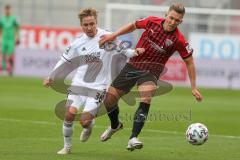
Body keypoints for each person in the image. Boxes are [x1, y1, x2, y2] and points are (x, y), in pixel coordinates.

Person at [98, 3, 203, 151]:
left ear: (181, 22)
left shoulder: (179, 39)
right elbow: (133, 26)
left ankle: (133, 137)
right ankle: (115, 125)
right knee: (109, 100)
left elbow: (189, 62)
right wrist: (113, 35)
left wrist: (193, 87)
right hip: (133, 65)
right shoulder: (152, 21)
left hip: (152, 71)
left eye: (177, 20)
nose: (173, 22)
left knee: (146, 96)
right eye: (171, 18)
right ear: (166, 15)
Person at [43, 8, 144, 155]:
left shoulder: (108, 36)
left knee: (84, 121)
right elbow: (64, 60)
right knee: (69, 114)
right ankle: (67, 147)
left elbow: (124, 51)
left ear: (96, 22)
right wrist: (51, 76)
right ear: (81, 25)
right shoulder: (77, 42)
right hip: (79, 83)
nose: (89, 27)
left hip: (98, 86)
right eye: (86, 25)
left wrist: (135, 52)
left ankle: (88, 125)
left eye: (92, 24)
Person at [0, 5, 20, 76]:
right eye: (6, 10)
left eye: (8, 10)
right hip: (4, 39)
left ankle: (10, 69)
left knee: (10, 55)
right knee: (2, 53)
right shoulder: (2, 19)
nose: (7, 11)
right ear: (4, 10)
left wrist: (18, 37)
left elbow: (17, 27)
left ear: (10, 10)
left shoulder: (13, 19)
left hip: (11, 39)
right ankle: (3, 68)